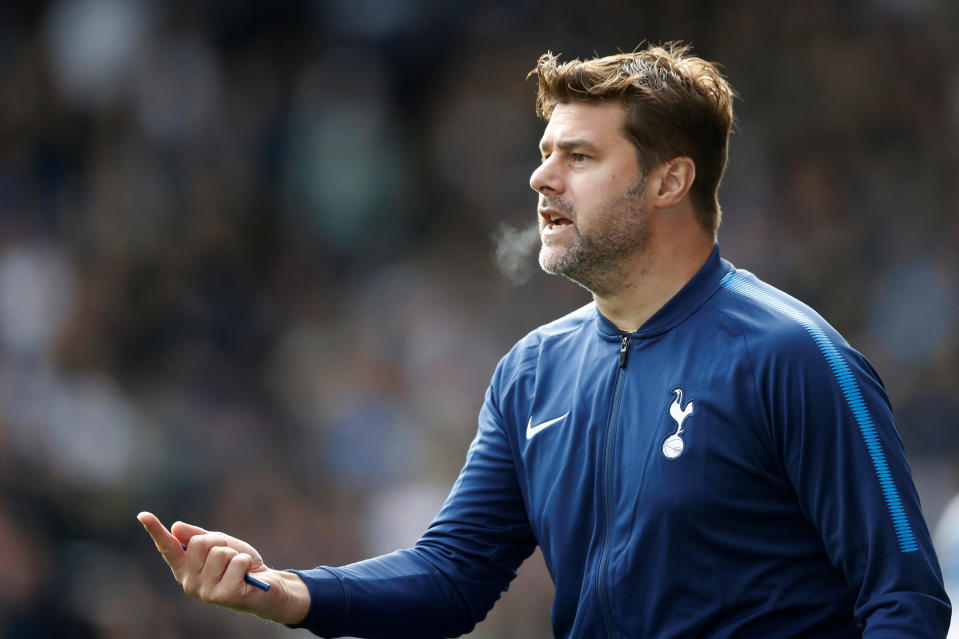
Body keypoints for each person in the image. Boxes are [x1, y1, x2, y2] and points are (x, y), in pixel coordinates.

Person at [138, 43, 951, 638]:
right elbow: (451, 575)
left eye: (579, 155)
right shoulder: (532, 373)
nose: (540, 178)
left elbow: (905, 600)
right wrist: (287, 591)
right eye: (543, 153)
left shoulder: (792, 355)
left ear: (669, 180)